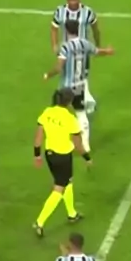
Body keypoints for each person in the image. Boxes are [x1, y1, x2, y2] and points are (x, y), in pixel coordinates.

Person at [44, 19, 114, 152]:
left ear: (66, 31)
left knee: (58, 114)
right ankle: (85, 145)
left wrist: (48, 75)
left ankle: (59, 141)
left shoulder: (65, 47)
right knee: (81, 114)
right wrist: (108, 51)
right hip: (80, 85)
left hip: (66, 87)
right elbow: (97, 51)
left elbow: (59, 67)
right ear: (78, 29)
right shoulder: (85, 43)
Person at [33, 87, 90, 237]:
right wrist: (87, 157)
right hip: (63, 157)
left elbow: (38, 136)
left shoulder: (47, 112)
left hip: (49, 155)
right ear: (69, 102)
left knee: (67, 181)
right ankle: (39, 222)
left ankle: (72, 214)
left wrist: (37, 155)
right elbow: (78, 145)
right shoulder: (70, 119)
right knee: (59, 189)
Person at [51, 0, 100, 113]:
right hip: (66, 50)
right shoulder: (60, 11)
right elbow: (54, 28)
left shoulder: (87, 12)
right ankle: (75, 101)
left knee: (81, 76)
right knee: (66, 75)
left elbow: (95, 28)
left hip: (82, 50)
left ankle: (83, 101)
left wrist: (97, 44)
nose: (73, 2)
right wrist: (55, 45)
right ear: (67, 0)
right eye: (70, 0)